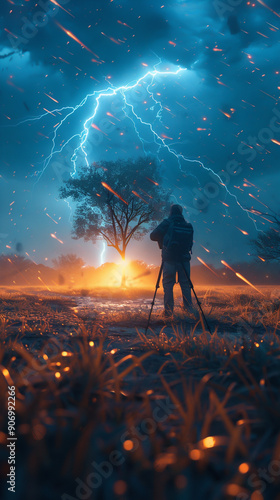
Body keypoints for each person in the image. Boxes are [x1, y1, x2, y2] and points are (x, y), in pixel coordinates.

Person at [150, 204, 194, 318]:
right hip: (184, 259)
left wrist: (164, 238)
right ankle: (189, 312)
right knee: (185, 285)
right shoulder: (186, 225)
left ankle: (168, 313)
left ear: (171, 212)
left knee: (168, 285)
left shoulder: (167, 222)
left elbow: (153, 236)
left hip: (169, 258)